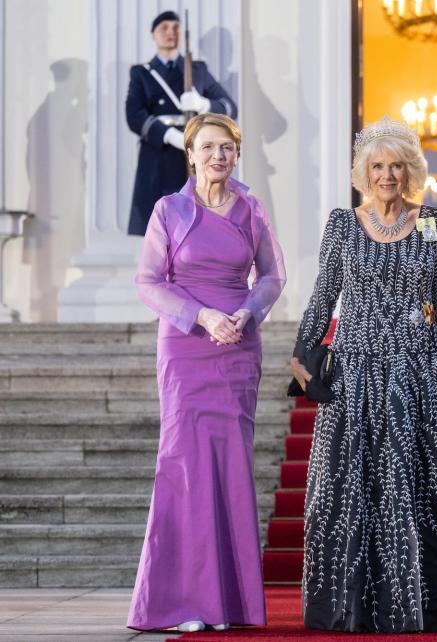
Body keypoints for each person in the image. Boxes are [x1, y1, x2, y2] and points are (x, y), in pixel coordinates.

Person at [291, 117, 437, 633]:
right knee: (350, 491)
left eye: (395, 165)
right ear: (363, 173)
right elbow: (324, 297)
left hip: (415, 373)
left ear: (409, 170)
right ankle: (347, 608)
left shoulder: (434, 222)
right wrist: (304, 358)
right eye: (377, 166)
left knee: (415, 490)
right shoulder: (343, 224)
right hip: (355, 372)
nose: (387, 175)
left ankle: (422, 607)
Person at [128, 113, 286, 633]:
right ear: (190, 154)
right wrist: (201, 315)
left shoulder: (250, 208)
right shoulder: (168, 210)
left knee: (230, 466)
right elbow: (149, 282)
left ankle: (229, 606)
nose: (219, 156)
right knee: (184, 466)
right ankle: (182, 604)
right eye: (209, 147)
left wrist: (247, 312)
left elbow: (273, 275)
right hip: (186, 345)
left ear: (236, 155)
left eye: (227, 148)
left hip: (238, 346)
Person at [125, 10, 238, 236]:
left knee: (196, 227)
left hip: (193, 156)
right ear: (153, 35)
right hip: (158, 154)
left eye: (176, 28)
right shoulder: (142, 73)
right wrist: (169, 135)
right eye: (164, 28)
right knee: (160, 229)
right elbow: (134, 116)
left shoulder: (197, 69)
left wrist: (203, 103)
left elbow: (228, 106)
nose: (171, 33)